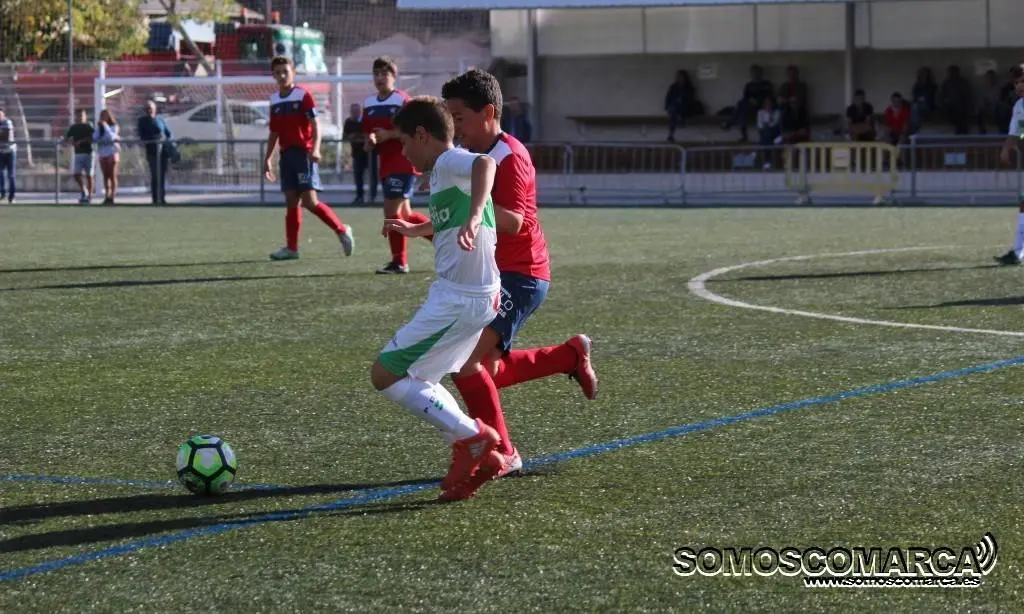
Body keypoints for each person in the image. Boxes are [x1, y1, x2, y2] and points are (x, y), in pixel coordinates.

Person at [441, 69, 598, 478]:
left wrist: (467, 209)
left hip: (522, 275)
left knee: (465, 363)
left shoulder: (508, 157)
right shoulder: (476, 157)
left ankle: (504, 453)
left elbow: (513, 221)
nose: (455, 129)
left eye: (459, 118)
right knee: (484, 370)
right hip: (496, 273)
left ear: (487, 113)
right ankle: (568, 356)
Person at [370, 96, 504, 502]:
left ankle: (473, 437)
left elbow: (486, 164)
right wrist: (415, 229)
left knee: (385, 374)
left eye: (404, 143)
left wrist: (477, 214)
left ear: (422, 135)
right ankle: (479, 455)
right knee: (420, 380)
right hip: (476, 296)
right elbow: (449, 219)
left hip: (458, 299)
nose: (403, 152)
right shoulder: (444, 175)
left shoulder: (449, 161)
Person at [263, 56, 354, 261]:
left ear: (293, 73)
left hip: (303, 154)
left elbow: (315, 125)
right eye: (277, 73)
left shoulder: (302, 95)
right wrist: (268, 158)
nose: (282, 76)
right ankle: (292, 248)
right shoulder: (275, 100)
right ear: (273, 76)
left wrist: (316, 149)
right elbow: (274, 132)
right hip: (286, 156)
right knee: (291, 201)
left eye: (285, 71)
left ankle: (341, 230)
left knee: (310, 201)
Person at [362, 56, 430, 274]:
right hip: (386, 164)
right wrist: (370, 141)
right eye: (376, 74)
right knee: (406, 215)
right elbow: (369, 132)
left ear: (394, 76)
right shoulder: (369, 103)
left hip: (404, 161)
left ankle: (399, 262)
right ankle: (448, 240)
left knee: (391, 210)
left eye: (385, 73)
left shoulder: (402, 100)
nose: (380, 78)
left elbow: (414, 128)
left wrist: (389, 134)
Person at [993, 67, 1024, 265]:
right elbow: (1015, 132)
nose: (1019, 85)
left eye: (1022, 81)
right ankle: (1018, 252)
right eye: (1016, 82)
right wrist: (1006, 149)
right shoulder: (1019, 105)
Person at [137, 101, 172, 205]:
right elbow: (142, 135)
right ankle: (155, 198)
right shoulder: (142, 121)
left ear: (155, 109)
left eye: (151, 108)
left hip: (163, 151)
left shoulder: (160, 119)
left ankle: (162, 197)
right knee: (155, 174)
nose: (149, 110)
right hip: (152, 151)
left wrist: (166, 141)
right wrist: (153, 139)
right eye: (147, 108)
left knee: (162, 175)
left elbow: (168, 133)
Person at [343, 102, 377, 204]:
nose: (355, 113)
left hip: (370, 154)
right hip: (357, 154)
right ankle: (359, 197)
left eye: (357, 111)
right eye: (353, 111)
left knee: (373, 175)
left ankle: (372, 197)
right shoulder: (348, 122)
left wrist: (359, 136)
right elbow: (344, 136)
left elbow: (370, 134)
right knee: (358, 176)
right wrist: (351, 137)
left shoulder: (366, 121)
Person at [64, 109, 95, 204]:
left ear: (85, 116)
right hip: (78, 153)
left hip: (89, 153)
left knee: (89, 175)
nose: (80, 117)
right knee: (76, 174)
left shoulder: (89, 126)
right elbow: (67, 137)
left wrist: (81, 141)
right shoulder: (73, 127)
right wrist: (69, 141)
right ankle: (84, 190)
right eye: (78, 116)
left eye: (82, 115)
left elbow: (93, 137)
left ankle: (89, 196)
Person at [95, 109, 121, 205]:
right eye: (102, 116)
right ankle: (107, 196)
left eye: (105, 116)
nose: (104, 118)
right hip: (103, 154)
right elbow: (95, 138)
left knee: (112, 175)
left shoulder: (114, 126)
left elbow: (111, 137)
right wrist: (100, 129)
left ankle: (112, 196)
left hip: (112, 153)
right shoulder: (100, 128)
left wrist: (105, 126)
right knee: (106, 176)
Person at [0, 108, 15, 204]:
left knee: (11, 175)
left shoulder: (7, 122)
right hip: (1, 152)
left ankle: (12, 196)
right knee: (1, 173)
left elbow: (5, 136)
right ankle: (3, 194)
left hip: (10, 151)